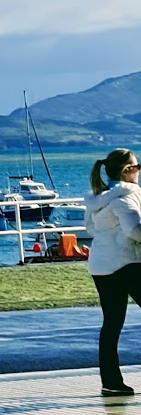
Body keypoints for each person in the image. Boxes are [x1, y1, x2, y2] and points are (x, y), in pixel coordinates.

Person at [86, 149, 141, 397]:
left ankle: (111, 381)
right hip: (126, 264)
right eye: (137, 167)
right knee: (112, 323)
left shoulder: (98, 198)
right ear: (126, 172)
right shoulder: (125, 198)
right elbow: (135, 231)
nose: (139, 171)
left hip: (101, 266)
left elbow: (90, 228)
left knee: (111, 324)